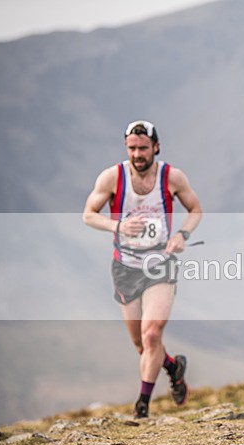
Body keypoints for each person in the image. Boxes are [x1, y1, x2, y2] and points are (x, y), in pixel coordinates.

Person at [83, 120, 203, 418]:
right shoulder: (112, 177)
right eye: (132, 148)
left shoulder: (171, 177)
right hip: (125, 267)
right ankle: (174, 368)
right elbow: (88, 215)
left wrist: (181, 235)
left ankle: (142, 407)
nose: (137, 154)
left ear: (156, 147)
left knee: (152, 335)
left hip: (160, 264)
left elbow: (196, 210)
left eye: (143, 148)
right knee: (140, 344)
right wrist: (119, 225)